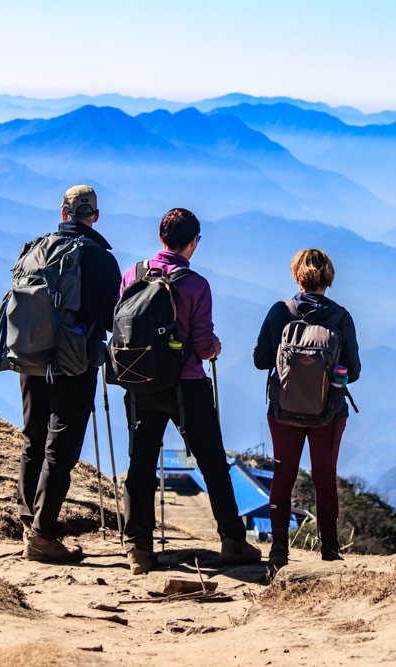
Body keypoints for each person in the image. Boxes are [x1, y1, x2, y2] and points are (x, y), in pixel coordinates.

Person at [121, 207, 262, 574]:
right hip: (187, 385)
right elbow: (201, 346)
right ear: (194, 242)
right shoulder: (196, 284)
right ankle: (232, 540)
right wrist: (214, 347)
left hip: (140, 383)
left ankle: (138, 547)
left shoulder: (131, 275)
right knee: (213, 462)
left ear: (160, 237)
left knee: (140, 464)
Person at [18, 185, 122, 562]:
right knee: (61, 448)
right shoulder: (100, 259)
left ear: (62, 212)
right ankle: (43, 536)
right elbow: (112, 317)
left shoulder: (35, 248)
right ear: (94, 216)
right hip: (74, 363)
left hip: (30, 358)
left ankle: (29, 523)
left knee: (33, 437)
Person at [252, 249, 361, 567]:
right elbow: (353, 371)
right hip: (328, 412)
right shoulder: (341, 317)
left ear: (296, 275)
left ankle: (278, 550)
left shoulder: (279, 311)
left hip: (283, 411)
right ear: (329, 277)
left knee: (283, 474)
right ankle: (329, 548)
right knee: (324, 476)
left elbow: (261, 362)